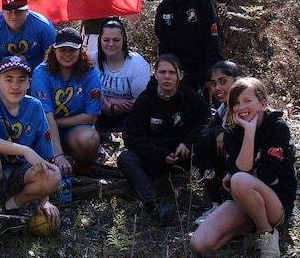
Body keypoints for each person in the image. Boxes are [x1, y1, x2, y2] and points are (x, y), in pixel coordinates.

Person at [189, 77, 296, 258]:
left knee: (239, 180)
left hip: (275, 204)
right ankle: (251, 228)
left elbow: (269, 175)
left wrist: (241, 177)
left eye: (248, 101)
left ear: (263, 104)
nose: (242, 107)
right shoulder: (232, 134)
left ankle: (267, 232)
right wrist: (248, 132)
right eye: (236, 103)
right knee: (199, 245)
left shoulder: (278, 128)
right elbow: (240, 169)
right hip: (242, 201)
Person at [0, 55, 61, 245]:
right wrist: (24, 150)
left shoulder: (35, 106)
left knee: (54, 174)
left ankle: (10, 207)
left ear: (29, 83)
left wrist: (44, 201)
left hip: (20, 176)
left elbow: (44, 156)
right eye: (9, 79)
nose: (15, 86)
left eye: (21, 80)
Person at [117, 54, 210, 224]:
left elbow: (207, 122)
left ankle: (216, 199)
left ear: (180, 75)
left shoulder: (191, 97)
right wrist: (159, 153)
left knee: (207, 146)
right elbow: (131, 137)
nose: (167, 77)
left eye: (172, 73)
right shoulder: (145, 99)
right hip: (155, 156)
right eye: (162, 72)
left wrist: (187, 142)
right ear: (155, 74)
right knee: (125, 158)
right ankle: (153, 203)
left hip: (183, 155)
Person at [31, 27, 102, 177]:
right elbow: (45, 116)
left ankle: (82, 172)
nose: (67, 54)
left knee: (90, 139)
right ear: (54, 50)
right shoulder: (41, 73)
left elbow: (91, 116)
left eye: (72, 50)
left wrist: (57, 123)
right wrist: (58, 155)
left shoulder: (90, 73)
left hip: (74, 128)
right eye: (63, 49)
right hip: (44, 129)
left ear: (81, 51)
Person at [153, 0, 223, 92]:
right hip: (179, 67)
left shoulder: (202, 1)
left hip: (204, 63)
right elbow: (163, 42)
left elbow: (212, 38)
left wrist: (210, 73)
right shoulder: (164, 8)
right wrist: (168, 68)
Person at [192, 60, 244, 223]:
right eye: (214, 84)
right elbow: (207, 130)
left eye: (223, 82)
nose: (218, 88)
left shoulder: (248, 102)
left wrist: (226, 135)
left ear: (237, 81)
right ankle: (217, 202)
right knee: (200, 148)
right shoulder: (224, 107)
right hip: (228, 162)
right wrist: (218, 131)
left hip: (252, 164)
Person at [0, 0, 56, 89]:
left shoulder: (44, 27)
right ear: (2, 11)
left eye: (18, 11)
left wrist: (43, 86)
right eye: (9, 11)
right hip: (4, 81)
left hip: (37, 79)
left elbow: (52, 60)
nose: (14, 15)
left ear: (27, 11)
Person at [90, 17, 151, 141]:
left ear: (124, 40)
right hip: (96, 112)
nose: (111, 44)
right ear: (100, 40)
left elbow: (141, 102)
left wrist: (112, 108)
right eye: (106, 40)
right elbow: (84, 94)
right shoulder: (92, 60)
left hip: (129, 115)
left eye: (116, 40)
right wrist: (110, 100)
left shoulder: (138, 65)